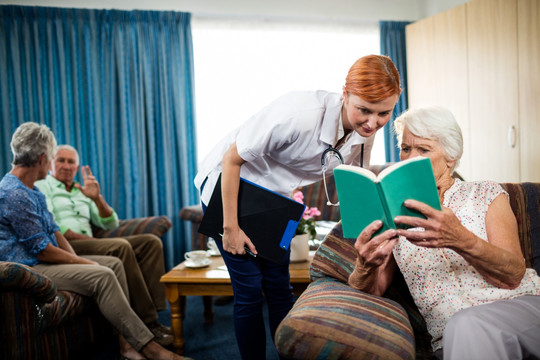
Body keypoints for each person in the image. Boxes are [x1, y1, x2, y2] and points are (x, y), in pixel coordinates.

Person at [194, 54, 402, 359]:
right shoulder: (299, 113)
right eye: (364, 110)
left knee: (280, 286)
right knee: (250, 290)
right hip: (232, 187)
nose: (372, 123)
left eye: (384, 113)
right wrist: (231, 228)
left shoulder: (363, 134)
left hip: (277, 198)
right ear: (344, 94)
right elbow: (231, 159)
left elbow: (353, 184)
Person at [347, 106, 540, 360]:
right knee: (462, 326)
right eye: (406, 149)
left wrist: (461, 239)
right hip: (453, 337)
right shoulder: (396, 216)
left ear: (451, 156)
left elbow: (514, 274)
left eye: (423, 149)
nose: (410, 159)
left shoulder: (485, 194)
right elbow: (373, 291)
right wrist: (364, 266)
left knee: (466, 323)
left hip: (521, 310)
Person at [0, 122, 188, 360]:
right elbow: (43, 250)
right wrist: (84, 263)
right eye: (54, 160)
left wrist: (78, 260)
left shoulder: (31, 190)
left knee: (114, 264)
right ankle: (152, 350)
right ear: (43, 159)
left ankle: (127, 346)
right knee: (103, 274)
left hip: (43, 260)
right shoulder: (15, 193)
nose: (53, 166)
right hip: (29, 269)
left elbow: (54, 230)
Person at [35, 144, 172, 346]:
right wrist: (97, 242)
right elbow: (55, 227)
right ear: (51, 164)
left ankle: (159, 310)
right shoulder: (43, 186)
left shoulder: (82, 190)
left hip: (92, 243)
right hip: (65, 246)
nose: (65, 165)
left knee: (150, 242)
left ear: (77, 166)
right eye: (60, 160)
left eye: (70, 161)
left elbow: (110, 223)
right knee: (120, 247)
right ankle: (148, 321)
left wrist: (97, 198)